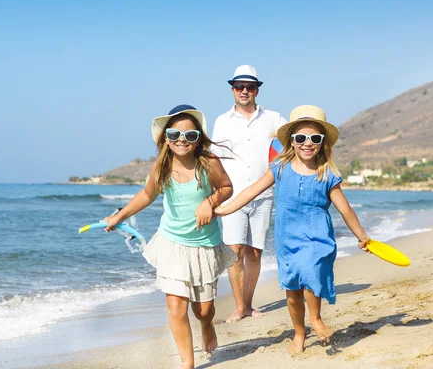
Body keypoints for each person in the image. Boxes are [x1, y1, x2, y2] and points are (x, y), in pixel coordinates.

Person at [215, 105, 371, 354]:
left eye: (314, 138)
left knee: (310, 278)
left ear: (322, 143)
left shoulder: (327, 174)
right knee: (292, 290)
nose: (307, 143)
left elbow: (346, 210)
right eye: (301, 138)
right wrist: (225, 208)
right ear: (291, 142)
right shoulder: (279, 168)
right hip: (288, 240)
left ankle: (316, 319)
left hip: (318, 238)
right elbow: (251, 191)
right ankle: (299, 333)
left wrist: (362, 236)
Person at [103, 104, 237, 369]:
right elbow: (146, 195)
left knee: (203, 310)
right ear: (166, 138)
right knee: (176, 307)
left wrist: (210, 201)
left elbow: (227, 188)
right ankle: (187, 363)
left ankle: (207, 326)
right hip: (172, 243)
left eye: (189, 135)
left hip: (203, 246)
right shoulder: (161, 166)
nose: (181, 141)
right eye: (175, 135)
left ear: (199, 138)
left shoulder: (209, 163)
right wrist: (119, 217)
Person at [211, 64, 287, 323]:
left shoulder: (274, 118)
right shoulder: (222, 121)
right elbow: (215, 159)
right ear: (232, 90)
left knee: (255, 252)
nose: (244, 91)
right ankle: (239, 307)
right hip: (232, 198)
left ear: (257, 90)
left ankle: (249, 304)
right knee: (235, 252)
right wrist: (213, 195)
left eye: (250, 87)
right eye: (239, 87)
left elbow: (290, 140)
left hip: (263, 196)